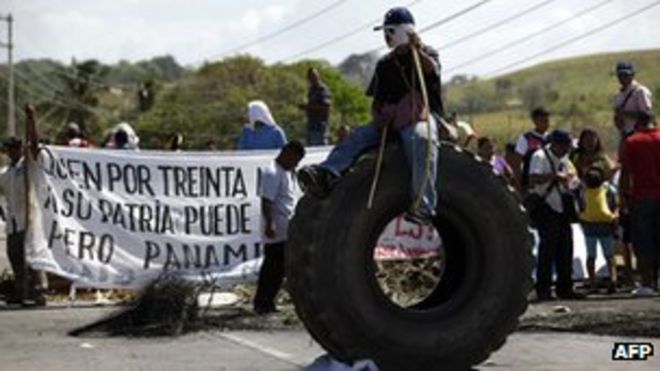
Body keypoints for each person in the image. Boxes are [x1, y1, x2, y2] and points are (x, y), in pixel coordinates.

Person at [297, 6, 443, 224]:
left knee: (422, 141)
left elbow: (431, 70)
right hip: (390, 120)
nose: (386, 37)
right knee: (357, 138)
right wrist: (378, 118)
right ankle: (325, 174)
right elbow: (376, 102)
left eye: (390, 31)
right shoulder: (384, 64)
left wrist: (416, 48)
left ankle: (423, 206)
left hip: (419, 118)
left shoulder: (427, 54)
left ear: (402, 31)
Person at [0, 109, 48, 306]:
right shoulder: (5, 173)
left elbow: (35, 146)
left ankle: (39, 292)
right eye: (8, 149)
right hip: (12, 223)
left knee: (33, 258)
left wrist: (31, 120)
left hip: (29, 220)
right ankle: (22, 292)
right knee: (15, 258)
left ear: (20, 148)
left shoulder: (28, 166)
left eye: (14, 148)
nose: (11, 152)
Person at [528, 129, 582, 301]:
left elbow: (573, 179)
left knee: (566, 248)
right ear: (557, 144)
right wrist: (555, 176)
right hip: (546, 206)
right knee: (547, 250)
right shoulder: (540, 156)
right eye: (565, 146)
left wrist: (570, 180)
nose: (567, 150)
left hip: (562, 207)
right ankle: (543, 289)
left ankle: (565, 288)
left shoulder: (564, 159)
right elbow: (533, 178)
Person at [253, 141, 306, 314]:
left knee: (279, 268)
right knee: (272, 267)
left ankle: (268, 302)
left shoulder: (286, 172)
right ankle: (262, 303)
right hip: (275, 228)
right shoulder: (272, 172)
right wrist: (270, 223)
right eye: (295, 160)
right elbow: (267, 200)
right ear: (287, 153)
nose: (295, 164)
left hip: (285, 229)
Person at [620, 110, 660, 297]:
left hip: (642, 197)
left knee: (644, 242)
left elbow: (626, 173)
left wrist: (623, 200)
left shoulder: (632, 142)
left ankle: (647, 283)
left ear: (637, 123)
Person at [578, 166, 618, 293]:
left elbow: (580, 207)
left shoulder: (583, 192)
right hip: (606, 225)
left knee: (591, 256)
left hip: (589, 226)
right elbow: (614, 204)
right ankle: (613, 279)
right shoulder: (608, 190)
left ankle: (592, 282)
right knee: (610, 256)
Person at [513, 107, 551, 194]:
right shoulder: (526, 139)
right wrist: (520, 187)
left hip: (550, 186)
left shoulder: (552, 139)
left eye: (547, 121)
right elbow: (516, 165)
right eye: (543, 121)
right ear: (535, 121)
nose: (546, 124)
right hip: (532, 186)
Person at [613, 61, 653, 138]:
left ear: (632, 75)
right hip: (625, 134)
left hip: (640, 134)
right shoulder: (618, 94)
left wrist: (625, 113)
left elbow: (647, 116)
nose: (623, 78)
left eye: (626, 75)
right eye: (620, 75)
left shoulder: (640, 91)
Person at [299, 68, 332, 146]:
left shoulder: (322, 89)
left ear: (318, 76)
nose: (311, 78)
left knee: (319, 148)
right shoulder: (311, 90)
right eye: (310, 77)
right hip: (311, 124)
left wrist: (308, 107)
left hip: (320, 125)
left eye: (313, 76)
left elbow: (326, 106)